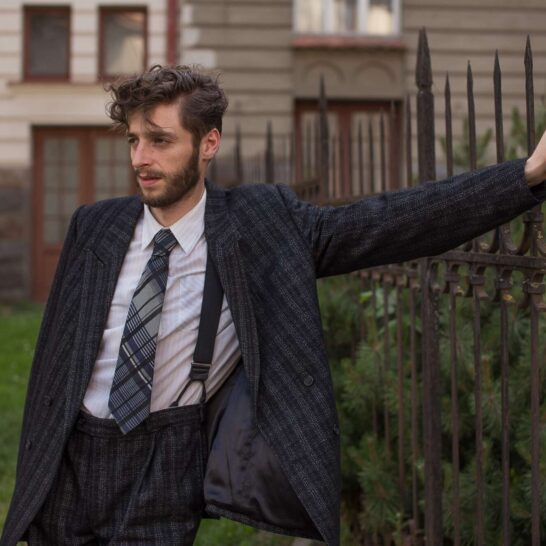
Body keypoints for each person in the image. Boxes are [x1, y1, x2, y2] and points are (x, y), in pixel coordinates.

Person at [2, 65, 545, 546]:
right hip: (72, 455)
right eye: (135, 140)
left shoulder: (260, 223)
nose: (141, 159)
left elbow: (387, 222)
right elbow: (57, 358)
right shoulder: (95, 226)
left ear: (208, 142)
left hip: (165, 464)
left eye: (161, 141)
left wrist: (524, 175)